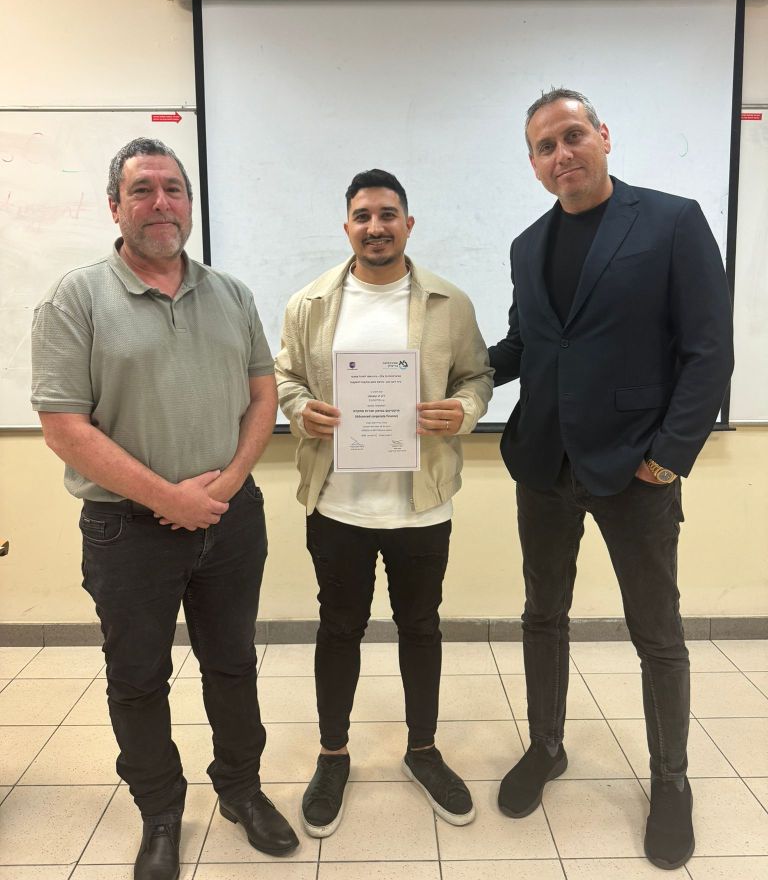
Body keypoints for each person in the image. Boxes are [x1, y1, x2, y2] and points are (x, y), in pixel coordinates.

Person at [30, 138, 299, 880]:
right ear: (114, 207)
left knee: (233, 664)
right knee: (138, 677)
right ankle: (159, 811)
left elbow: (263, 394)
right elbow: (64, 427)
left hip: (230, 520)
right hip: (126, 530)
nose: (161, 203)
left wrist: (225, 485)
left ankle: (241, 791)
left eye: (173, 189)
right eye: (142, 190)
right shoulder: (75, 299)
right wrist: (168, 498)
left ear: (189, 203)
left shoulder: (231, 294)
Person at [488, 89, 734, 870]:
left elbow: (709, 349)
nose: (561, 154)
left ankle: (671, 781)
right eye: (544, 147)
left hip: (636, 470)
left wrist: (670, 455)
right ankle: (547, 746)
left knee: (657, 634)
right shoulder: (528, 245)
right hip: (544, 465)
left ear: (603, 136)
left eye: (572, 136)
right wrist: (449, 374)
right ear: (534, 165)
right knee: (543, 616)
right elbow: (527, 344)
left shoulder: (670, 221)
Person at [275, 168, 493, 838]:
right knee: (338, 629)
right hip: (337, 505)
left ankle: (422, 749)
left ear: (408, 224)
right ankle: (333, 755)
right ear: (347, 227)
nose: (376, 227)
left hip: (421, 507)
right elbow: (284, 375)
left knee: (421, 628)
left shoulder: (449, 303)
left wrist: (463, 410)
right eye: (364, 216)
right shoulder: (310, 304)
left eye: (388, 214)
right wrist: (298, 409)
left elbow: (477, 376)